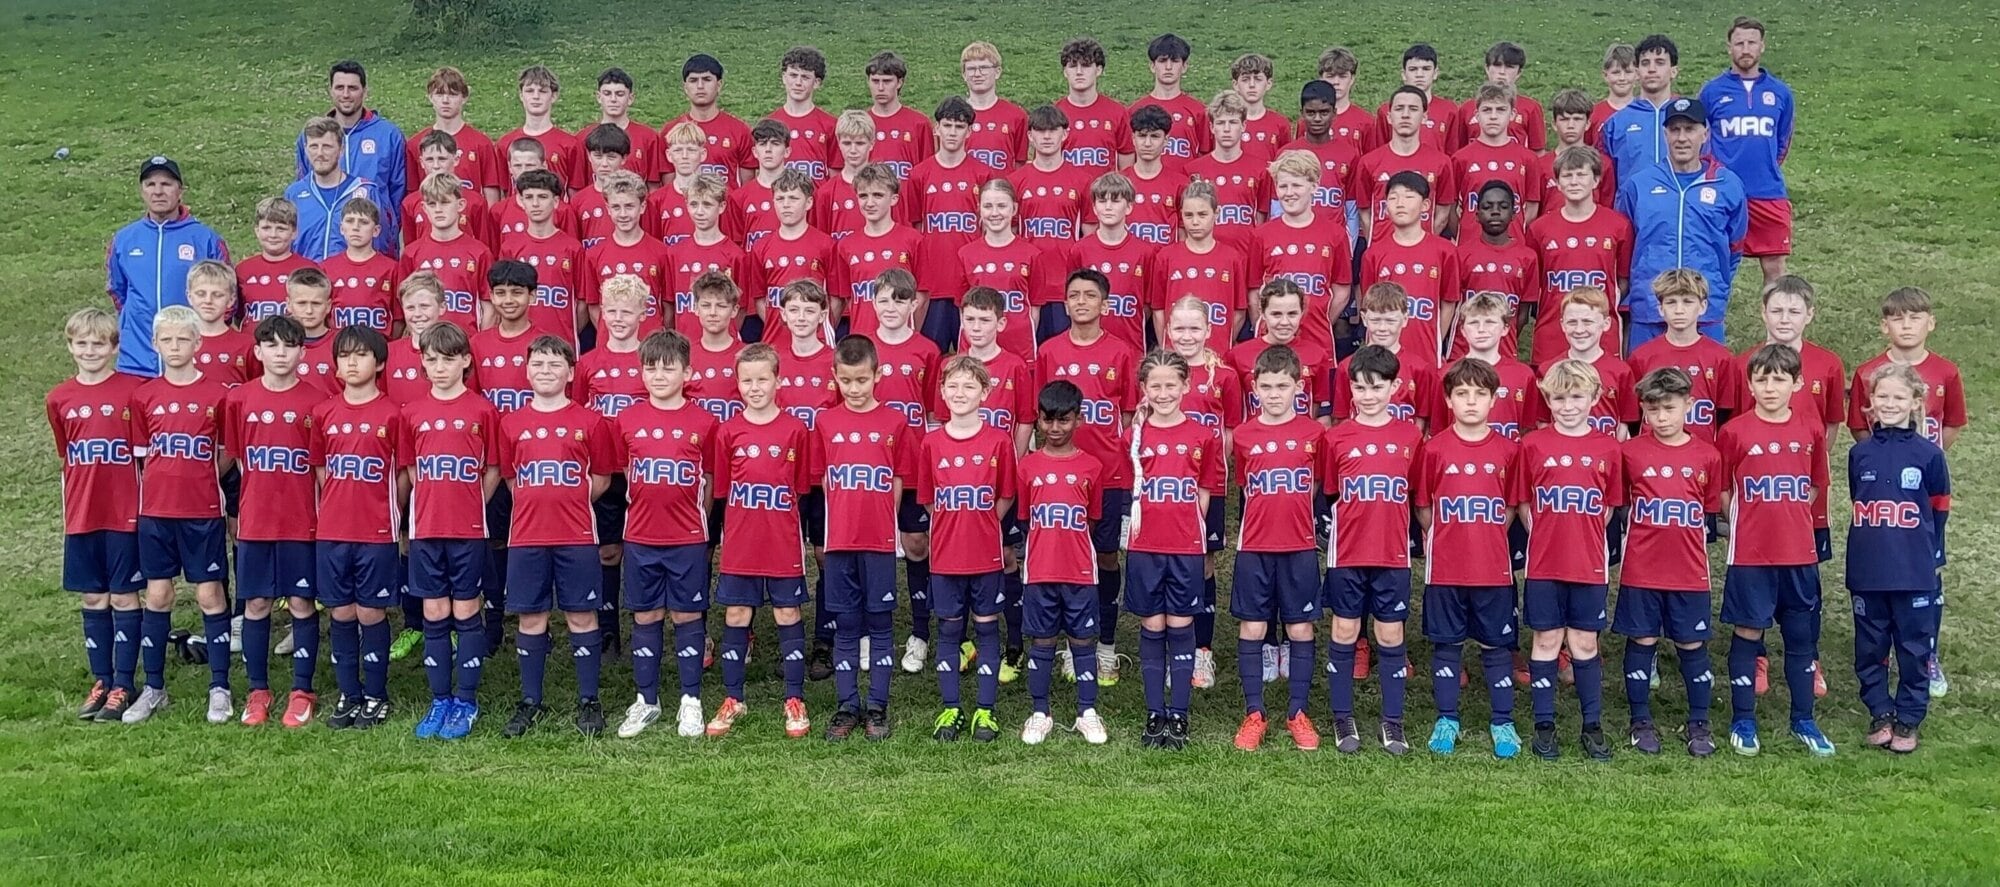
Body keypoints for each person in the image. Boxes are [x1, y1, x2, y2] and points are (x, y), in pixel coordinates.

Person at [1845, 286, 1965, 695]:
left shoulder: (1946, 371)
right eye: (1898, 317)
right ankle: (1883, 656)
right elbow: (1858, 430)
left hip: (1920, 486)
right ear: (1885, 325)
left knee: (1927, 569)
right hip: (1883, 481)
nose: (1907, 325)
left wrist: (1923, 456)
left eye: (1915, 317)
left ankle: (1926, 655)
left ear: (1930, 322)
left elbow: (1953, 424)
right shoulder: (1867, 371)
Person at [496, 335, 615, 738]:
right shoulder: (510, 423)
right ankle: (530, 699)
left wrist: (570, 501)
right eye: (538, 364)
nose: (545, 371)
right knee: (531, 615)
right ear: (527, 370)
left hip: (577, 535)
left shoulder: (590, 421)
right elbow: (512, 478)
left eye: (554, 364)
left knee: (581, 614)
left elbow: (600, 478)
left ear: (570, 372)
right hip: (527, 535)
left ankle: (589, 699)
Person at [1718, 343, 1833, 757]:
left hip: (1799, 554)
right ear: (1749, 384)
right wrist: (1740, 527)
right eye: (1762, 379)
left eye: (1779, 379)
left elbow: (1817, 484)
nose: (1770, 387)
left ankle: (1803, 719)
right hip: (1751, 556)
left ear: (1797, 383)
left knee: (1801, 637)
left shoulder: (1810, 430)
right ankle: (1743, 719)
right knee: (1748, 632)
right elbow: (1723, 489)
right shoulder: (1734, 432)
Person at [128, 306, 234, 723]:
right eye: (167, 340)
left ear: (198, 343)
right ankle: (154, 688)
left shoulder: (218, 395)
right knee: (158, 594)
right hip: (156, 512)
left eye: (182, 340)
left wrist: (204, 478)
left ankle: (220, 687)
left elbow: (228, 451)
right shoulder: (144, 396)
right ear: (155, 344)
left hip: (202, 511)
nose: (175, 347)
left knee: (209, 594)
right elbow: (141, 457)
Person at [612, 329, 720, 739]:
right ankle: (647, 700)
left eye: (668, 368)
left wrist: (698, 522)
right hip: (640, 537)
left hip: (687, 539)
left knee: (687, 615)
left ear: (687, 372)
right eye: (650, 367)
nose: (658, 375)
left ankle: (691, 699)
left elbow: (709, 479)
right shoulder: (627, 419)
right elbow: (624, 472)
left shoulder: (705, 422)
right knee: (646, 615)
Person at [1515, 359, 1624, 761]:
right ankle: (1544, 726)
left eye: (1577, 396)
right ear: (1548, 398)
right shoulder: (1533, 445)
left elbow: (1608, 508)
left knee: (1583, 641)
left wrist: (1584, 538)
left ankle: (1591, 726)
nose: (1568, 405)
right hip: (1544, 563)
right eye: (1559, 397)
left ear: (1594, 398)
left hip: (1588, 562)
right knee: (1546, 640)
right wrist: (1545, 537)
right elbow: (1525, 504)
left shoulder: (1608, 447)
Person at [219, 315, 323, 726]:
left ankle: (302, 689)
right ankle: (258, 689)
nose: (281, 353)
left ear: (302, 352)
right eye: (272, 346)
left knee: (300, 601)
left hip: (301, 520)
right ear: (258, 352)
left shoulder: (316, 402)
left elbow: (320, 468)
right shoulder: (239, 400)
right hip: (257, 520)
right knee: (258, 602)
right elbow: (241, 458)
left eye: (289, 346)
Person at [1416, 357, 1522, 758]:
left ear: (1494, 400)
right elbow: (1424, 508)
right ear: (1448, 399)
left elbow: (1510, 506)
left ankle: (1503, 722)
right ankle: (1447, 718)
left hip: (1493, 570)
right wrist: (1445, 536)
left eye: (1480, 394)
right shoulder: (1433, 450)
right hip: (1446, 568)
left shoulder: (1510, 451)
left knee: (1497, 648)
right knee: (1447, 646)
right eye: (1462, 394)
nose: (1471, 402)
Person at [1038, 270, 1139, 688]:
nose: (1081, 302)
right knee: (1066, 561)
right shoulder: (1049, 351)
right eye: (1074, 295)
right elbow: (1041, 411)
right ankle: (1069, 645)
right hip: (1061, 475)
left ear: (1105, 305)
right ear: (1064, 303)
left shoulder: (1122, 352)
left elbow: (1130, 413)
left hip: (1109, 473)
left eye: (1090, 296)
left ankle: (1106, 646)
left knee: (1105, 557)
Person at [706, 343, 813, 737]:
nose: (754, 387)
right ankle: (734, 697)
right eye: (746, 380)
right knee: (736, 615)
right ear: (737, 384)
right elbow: (723, 489)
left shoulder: (795, 429)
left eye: (762, 379)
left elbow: (799, 486)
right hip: (741, 542)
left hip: (782, 541)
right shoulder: (728, 431)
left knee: (788, 614)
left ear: (777, 381)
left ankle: (794, 698)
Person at [1616, 367, 1724, 756]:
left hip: (1689, 571)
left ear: (1688, 406)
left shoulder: (1708, 455)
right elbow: (1622, 505)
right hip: (1641, 569)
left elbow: (1709, 508)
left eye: (1670, 408)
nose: (1661, 417)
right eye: (1653, 410)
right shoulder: (1630, 452)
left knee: (1691, 643)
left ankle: (1699, 722)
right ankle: (1640, 720)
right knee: (1642, 639)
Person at [401, 321, 500, 741]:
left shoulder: (482, 410)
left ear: (465, 361)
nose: (439, 367)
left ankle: (467, 700)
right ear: (422, 362)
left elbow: (493, 467)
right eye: (431, 359)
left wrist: (474, 499)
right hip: (426, 529)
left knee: (466, 611)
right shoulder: (412, 413)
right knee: (433, 612)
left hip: (468, 529)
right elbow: (410, 469)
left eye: (448, 359)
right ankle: (440, 699)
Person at [1228, 344, 1329, 751]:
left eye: (1281, 386)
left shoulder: (1314, 434)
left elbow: (1319, 484)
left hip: (1299, 546)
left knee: (1300, 627)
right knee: (1253, 627)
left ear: (1297, 387)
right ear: (1254, 388)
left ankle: (1297, 713)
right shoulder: (1244, 435)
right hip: (1254, 545)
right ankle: (1254, 713)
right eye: (1266, 386)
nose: (1273, 394)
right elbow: (1243, 486)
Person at [48, 308, 147, 721]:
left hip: (124, 511)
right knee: (93, 596)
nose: (90, 351)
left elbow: (144, 460)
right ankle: (101, 678)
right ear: (71, 346)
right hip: (83, 514)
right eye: (82, 343)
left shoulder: (133, 393)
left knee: (125, 594)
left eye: (98, 344)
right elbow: (66, 458)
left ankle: (125, 681)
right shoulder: (59, 398)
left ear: (114, 347)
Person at [813, 335, 914, 740]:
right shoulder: (825, 421)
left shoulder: (894, 422)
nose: (854, 389)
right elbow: (822, 478)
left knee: (880, 624)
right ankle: (846, 705)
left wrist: (882, 523)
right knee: (846, 624)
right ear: (834, 377)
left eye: (862, 380)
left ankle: (877, 705)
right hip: (840, 543)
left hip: (878, 544)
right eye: (846, 381)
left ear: (878, 375)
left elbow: (898, 480)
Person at [1847, 362, 1949, 754]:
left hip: (1914, 571)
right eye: (1882, 396)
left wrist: (1929, 556)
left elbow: (1939, 508)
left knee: (1914, 647)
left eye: (1898, 397)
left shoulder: (1929, 455)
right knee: (1870, 648)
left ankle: (1909, 718)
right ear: (1871, 402)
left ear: (1915, 401)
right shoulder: (1860, 454)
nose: (1890, 404)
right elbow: (1859, 500)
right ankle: (1879, 712)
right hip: (1868, 570)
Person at [1125, 349, 1223, 750]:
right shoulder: (1133, 435)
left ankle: (1179, 713)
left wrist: (1190, 528)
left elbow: (1205, 489)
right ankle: (1154, 711)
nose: (1163, 393)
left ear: (1186, 386)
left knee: (1181, 626)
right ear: (1144, 389)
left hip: (1184, 546)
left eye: (1171, 385)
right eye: (1155, 386)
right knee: (1152, 626)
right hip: (1145, 545)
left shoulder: (1203, 436)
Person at [308, 326, 405, 730]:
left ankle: (376, 695)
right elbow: (320, 468)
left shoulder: (393, 414)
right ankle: (349, 693)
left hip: (376, 532)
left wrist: (391, 513)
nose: (351, 362)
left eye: (361, 355)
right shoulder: (324, 413)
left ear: (379, 363)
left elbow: (402, 473)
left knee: (370, 611)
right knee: (341, 612)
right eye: (344, 356)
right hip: (332, 531)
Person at [918, 355, 1018, 741]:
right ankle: (951, 709)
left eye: (969, 386)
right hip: (945, 555)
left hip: (985, 554)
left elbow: (1005, 496)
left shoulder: (998, 441)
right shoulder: (931, 442)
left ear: (985, 392)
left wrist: (981, 524)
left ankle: (986, 711)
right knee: (949, 630)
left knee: (988, 627)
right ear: (942, 393)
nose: (960, 394)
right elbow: (929, 499)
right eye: (953, 387)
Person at [1017, 380, 1110, 745]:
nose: (1055, 429)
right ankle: (1040, 712)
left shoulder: (1092, 467)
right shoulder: (1028, 467)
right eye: (1047, 421)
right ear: (1038, 421)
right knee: (1041, 642)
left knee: (1082, 641)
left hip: (1080, 572)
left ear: (1078, 419)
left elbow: (1094, 517)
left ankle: (1087, 711)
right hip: (1040, 571)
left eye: (1064, 421)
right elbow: (1025, 517)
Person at [1618, 97, 1746, 349]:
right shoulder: (1639, 185)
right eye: (1674, 130)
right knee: (1646, 383)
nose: (1682, 138)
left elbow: (1735, 246)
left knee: (1706, 385)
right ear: (1664, 134)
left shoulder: (1727, 185)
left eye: (1690, 129)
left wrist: (1716, 283)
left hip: (1703, 309)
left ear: (1705, 133)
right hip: (1651, 307)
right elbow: (1623, 245)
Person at [108, 156, 230, 375]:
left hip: (191, 362)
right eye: (150, 184)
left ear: (180, 190)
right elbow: (119, 292)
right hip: (137, 361)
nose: (158, 191)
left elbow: (227, 296)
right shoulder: (124, 240)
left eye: (166, 184)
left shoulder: (205, 239)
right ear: (142, 191)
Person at [1701, 17, 1796, 289]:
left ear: (1762, 47)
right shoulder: (1712, 91)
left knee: (1775, 268)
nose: (1745, 49)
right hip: (1724, 191)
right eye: (1739, 43)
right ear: (1729, 47)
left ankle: (1776, 330)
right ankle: (1710, 326)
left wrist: (1766, 168)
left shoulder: (1780, 93)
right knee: (1715, 264)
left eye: (1751, 43)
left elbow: (1783, 140)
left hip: (1767, 191)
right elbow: (1701, 136)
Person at [1527, 146, 1630, 364]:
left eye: (1581, 174)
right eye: (1567, 175)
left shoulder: (1618, 226)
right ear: (1557, 182)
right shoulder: (1539, 228)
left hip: (1601, 337)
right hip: (1552, 336)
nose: (1574, 181)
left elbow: (1622, 280)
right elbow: (1535, 284)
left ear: (1596, 181)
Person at [1256, 150, 1355, 368]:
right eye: (1283, 186)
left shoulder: (1335, 234)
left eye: (1296, 185)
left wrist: (1318, 316)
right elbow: (1254, 290)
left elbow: (1341, 291)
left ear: (1314, 186)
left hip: (1318, 338)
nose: (1289, 193)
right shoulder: (1262, 235)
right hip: (1272, 339)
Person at [909, 97, 991, 348]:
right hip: (932, 283)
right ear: (937, 128)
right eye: (947, 125)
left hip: (970, 282)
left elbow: (988, 229)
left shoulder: (982, 173)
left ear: (969, 132)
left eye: (959, 126)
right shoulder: (919, 174)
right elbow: (915, 227)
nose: (952, 132)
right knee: (930, 356)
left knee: (973, 358)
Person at [1358, 171, 1460, 363]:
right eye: (1393, 197)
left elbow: (1449, 302)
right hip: (1383, 356)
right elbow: (1368, 303)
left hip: (1427, 352)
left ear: (1425, 205)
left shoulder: (1445, 251)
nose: (1400, 203)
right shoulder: (1374, 254)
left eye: (1409, 197)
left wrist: (1437, 341)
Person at [295, 60, 406, 232]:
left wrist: (388, 231)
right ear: (330, 90)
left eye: (353, 88)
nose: (346, 94)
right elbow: (303, 183)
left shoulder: (388, 135)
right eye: (339, 88)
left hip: (372, 237)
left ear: (365, 91)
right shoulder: (312, 135)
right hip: (325, 235)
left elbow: (398, 193)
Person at [1629, 270, 1736, 441]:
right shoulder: (1642, 356)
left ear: (1702, 306)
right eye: (1671, 302)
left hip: (1701, 455)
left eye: (1687, 302)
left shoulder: (1721, 358)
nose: (1679, 310)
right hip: (1652, 455)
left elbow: (1726, 414)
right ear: (1660, 308)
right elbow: (1634, 415)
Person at [1151, 181, 1250, 351]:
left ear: (1216, 213)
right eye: (1189, 215)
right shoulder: (1166, 257)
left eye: (1202, 214)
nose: (1195, 221)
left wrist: (1222, 343)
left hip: (1216, 353)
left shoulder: (1232, 258)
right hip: (1176, 354)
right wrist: (1166, 348)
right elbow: (1158, 310)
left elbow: (1239, 311)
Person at [1357, 91, 1459, 246]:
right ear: (1389, 117)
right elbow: (1364, 214)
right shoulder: (1368, 162)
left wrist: (1417, 243)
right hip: (1381, 253)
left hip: (1423, 255)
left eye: (1413, 109)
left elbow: (1443, 213)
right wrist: (1378, 244)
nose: (1405, 115)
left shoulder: (1441, 162)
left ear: (1424, 117)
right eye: (1399, 109)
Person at [499, 169, 589, 346]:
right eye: (529, 197)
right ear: (522, 202)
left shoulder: (573, 248)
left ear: (556, 202)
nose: (535, 204)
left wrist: (567, 331)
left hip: (562, 343)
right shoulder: (510, 247)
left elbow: (583, 302)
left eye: (542, 197)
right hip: (521, 343)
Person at [1451, 181, 1539, 360]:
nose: (1495, 211)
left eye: (1503, 206)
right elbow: (1452, 307)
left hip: (1504, 351)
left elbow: (1523, 313)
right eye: (1487, 206)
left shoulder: (1528, 257)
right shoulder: (1460, 255)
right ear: (1476, 215)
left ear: (1514, 214)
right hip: (1463, 352)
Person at [833, 164, 923, 337]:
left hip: (900, 340)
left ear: (894, 199)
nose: (870, 203)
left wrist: (909, 335)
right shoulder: (846, 245)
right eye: (863, 196)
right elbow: (849, 299)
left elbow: (921, 297)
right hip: (862, 341)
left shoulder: (913, 240)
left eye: (878, 195)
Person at [1068, 173, 1156, 349]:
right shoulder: (1079, 250)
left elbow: (1147, 306)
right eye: (1102, 201)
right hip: (1089, 348)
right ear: (1094, 207)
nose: (1108, 207)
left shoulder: (1147, 252)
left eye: (1115, 201)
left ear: (1129, 207)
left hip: (1132, 347)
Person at [398, 173, 495, 332]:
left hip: (465, 344)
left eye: (444, 202)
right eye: (432, 203)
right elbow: (405, 305)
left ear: (461, 205)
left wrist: (477, 345)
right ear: (424, 208)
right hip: (427, 346)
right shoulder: (411, 253)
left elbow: (489, 309)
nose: (438, 209)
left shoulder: (480, 252)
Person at [747, 169, 837, 341]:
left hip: (816, 342)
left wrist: (818, 327)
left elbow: (836, 299)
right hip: (774, 341)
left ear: (809, 202)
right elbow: (760, 299)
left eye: (793, 198)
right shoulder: (760, 247)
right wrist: (786, 323)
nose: (786, 204)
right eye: (780, 199)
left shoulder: (826, 245)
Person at [290, 116, 395, 261]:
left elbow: (382, 248)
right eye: (314, 146)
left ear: (341, 150)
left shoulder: (366, 192)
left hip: (352, 280)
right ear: (306, 149)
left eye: (327, 146)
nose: (320, 153)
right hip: (307, 280)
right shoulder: (294, 194)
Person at [666, 175, 754, 337]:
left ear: (721, 207)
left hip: (721, 346)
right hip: (685, 347)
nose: (699, 212)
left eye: (707, 204)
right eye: (694, 204)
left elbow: (741, 308)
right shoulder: (674, 253)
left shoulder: (735, 255)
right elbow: (669, 306)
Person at [1336, 284, 1433, 430]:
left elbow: (1422, 421)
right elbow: (1341, 418)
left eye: (1390, 321)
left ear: (1405, 319)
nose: (1382, 328)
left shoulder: (1420, 368)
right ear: (1364, 318)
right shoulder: (1347, 366)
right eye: (1375, 320)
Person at [586, 171, 673, 334]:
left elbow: (668, 307)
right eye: (616, 207)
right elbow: (593, 307)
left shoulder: (662, 252)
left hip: (650, 348)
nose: (623, 214)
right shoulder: (594, 254)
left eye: (629, 206)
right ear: (608, 209)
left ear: (642, 207)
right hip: (610, 348)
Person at [1543, 287, 1636, 439]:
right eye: (1572, 322)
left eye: (1587, 322)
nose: (1579, 330)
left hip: (1604, 457)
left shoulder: (1621, 371)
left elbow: (1625, 423)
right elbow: (1543, 422)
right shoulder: (1548, 369)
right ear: (1562, 324)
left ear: (1606, 323)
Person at [405, 66, 503, 204]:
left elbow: (491, 195)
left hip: (470, 221)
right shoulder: (415, 144)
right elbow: (413, 195)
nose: (445, 100)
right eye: (439, 94)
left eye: (452, 94)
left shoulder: (481, 143)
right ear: (430, 97)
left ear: (464, 97)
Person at [1451, 85, 1539, 230]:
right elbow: (1451, 208)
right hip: (1471, 245)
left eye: (1500, 110)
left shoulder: (1528, 158)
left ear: (1512, 114)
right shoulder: (1460, 158)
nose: (1493, 116)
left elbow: (1532, 207)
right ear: (1477, 115)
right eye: (1486, 110)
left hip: (1512, 244)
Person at [1600, 35, 1681, 179]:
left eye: (1660, 62)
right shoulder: (1616, 123)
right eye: (1645, 63)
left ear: (1673, 71)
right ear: (1637, 72)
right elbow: (1603, 179)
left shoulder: (1690, 118)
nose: (1651, 69)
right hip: (1632, 201)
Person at [666, 53, 755, 181]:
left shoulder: (740, 131)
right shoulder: (670, 132)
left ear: (718, 85)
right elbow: (668, 188)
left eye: (707, 79)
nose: (700, 86)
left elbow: (747, 189)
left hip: (726, 201)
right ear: (685, 87)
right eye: (693, 80)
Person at [321, 198, 399, 336]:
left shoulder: (392, 268)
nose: (356, 227)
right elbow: (322, 317)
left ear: (376, 230)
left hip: (379, 350)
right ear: (341, 228)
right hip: (339, 350)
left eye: (363, 222)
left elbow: (399, 318)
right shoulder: (326, 268)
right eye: (350, 221)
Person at [1054, 38, 1133, 172]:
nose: (1079, 72)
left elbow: (1126, 165)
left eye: (1086, 65)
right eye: (1073, 66)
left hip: (1105, 192)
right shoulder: (1054, 113)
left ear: (1099, 70)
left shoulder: (1117, 112)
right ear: (1065, 72)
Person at [576, 67, 665, 187]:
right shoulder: (583, 137)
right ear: (598, 97)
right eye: (607, 94)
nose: (613, 99)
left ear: (630, 98)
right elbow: (578, 186)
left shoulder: (648, 137)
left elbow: (653, 186)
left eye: (619, 94)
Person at [236, 198, 317, 324]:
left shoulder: (309, 269)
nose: (273, 235)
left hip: (293, 341)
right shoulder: (243, 270)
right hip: (252, 342)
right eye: (266, 228)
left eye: (281, 229)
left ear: (294, 232)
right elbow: (237, 316)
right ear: (257, 230)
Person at [500, 66, 581, 192]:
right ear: (521, 95)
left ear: (553, 96)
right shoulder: (504, 144)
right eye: (530, 91)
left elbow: (575, 194)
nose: (536, 96)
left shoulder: (570, 145)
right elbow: (503, 193)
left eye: (542, 91)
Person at [1537, 90, 1618, 215]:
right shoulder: (1539, 165)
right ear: (1554, 124)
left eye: (1577, 119)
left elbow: (1608, 208)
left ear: (1587, 124)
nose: (1570, 125)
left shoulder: (1603, 164)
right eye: (1564, 119)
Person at [770, 46, 838, 183]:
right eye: (793, 75)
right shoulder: (771, 123)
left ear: (817, 83)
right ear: (784, 77)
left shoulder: (831, 125)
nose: (798, 83)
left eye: (805, 77)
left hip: (817, 203)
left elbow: (835, 178)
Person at [1122, 105, 1186, 246]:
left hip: (1164, 264)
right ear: (1133, 138)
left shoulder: (1181, 185)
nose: (1147, 143)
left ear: (1166, 140)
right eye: (1142, 136)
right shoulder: (1119, 182)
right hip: (1129, 264)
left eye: (1155, 136)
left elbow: (1184, 236)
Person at [863, 51, 932, 179]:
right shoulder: (860, 123)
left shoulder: (919, 123)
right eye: (875, 81)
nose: (881, 87)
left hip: (908, 198)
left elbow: (928, 171)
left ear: (899, 82)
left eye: (887, 81)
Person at [960, 41, 1028, 172]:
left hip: (1001, 190)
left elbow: (1020, 163)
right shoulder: (953, 117)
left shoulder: (1016, 116)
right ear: (964, 74)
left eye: (984, 68)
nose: (977, 74)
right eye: (971, 69)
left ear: (997, 72)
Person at [1377, 44, 1458, 151]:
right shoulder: (1387, 110)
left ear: (1435, 73)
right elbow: (1379, 151)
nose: (1419, 74)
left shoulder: (1449, 109)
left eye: (1426, 69)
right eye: (1413, 69)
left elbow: (1453, 152)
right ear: (1403, 74)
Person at [648, 122, 716, 249]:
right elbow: (653, 246)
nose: (684, 156)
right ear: (669, 155)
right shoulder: (656, 200)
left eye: (691, 150)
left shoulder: (717, 197)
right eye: (678, 150)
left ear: (703, 154)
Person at [1469, 42, 1547, 152]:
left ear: (1519, 72)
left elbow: (1538, 152)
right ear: (1487, 68)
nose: (1502, 72)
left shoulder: (1531, 108)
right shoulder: (1466, 108)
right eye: (1497, 65)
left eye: (1509, 67)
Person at [1231, 53, 1289, 162]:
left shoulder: (1281, 123)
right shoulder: (1225, 122)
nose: (1252, 85)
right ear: (1235, 84)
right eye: (1245, 79)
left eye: (1258, 79)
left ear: (1268, 83)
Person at [1590, 44, 1638, 145]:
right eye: (1616, 72)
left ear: (1637, 74)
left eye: (1628, 72)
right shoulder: (1594, 113)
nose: (1622, 78)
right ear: (1605, 75)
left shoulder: (1645, 111)